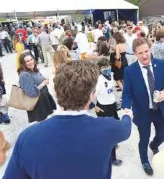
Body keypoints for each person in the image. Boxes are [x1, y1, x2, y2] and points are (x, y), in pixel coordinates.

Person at [4, 60, 133, 179]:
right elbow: (126, 129)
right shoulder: (108, 127)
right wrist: (127, 115)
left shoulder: (27, 137)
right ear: (91, 96)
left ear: (56, 91)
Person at [122, 37, 164, 176]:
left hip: (159, 109)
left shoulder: (160, 64)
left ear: (150, 49)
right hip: (142, 112)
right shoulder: (129, 71)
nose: (144, 55)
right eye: (140, 53)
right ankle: (144, 160)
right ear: (135, 53)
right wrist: (126, 107)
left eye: (146, 51)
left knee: (163, 135)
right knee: (144, 138)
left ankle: (154, 145)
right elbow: (127, 93)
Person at [95, 58, 123, 166]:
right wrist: (93, 106)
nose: (106, 68)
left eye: (107, 66)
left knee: (115, 126)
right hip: (103, 108)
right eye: (103, 67)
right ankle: (112, 159)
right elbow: (90, 95)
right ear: (99, 69)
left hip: (112, 106)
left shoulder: (110, 75)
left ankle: (112, 144)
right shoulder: (98, 81)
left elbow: (115, 84)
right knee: (108, 133)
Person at [17, 54, 56, 123]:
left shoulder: (34, 70)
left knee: (46, 122)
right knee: (43, 124)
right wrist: (43, 84)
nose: (31, 62)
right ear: (23, 64)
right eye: (27, 61)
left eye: (31, 59)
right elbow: (31, 93)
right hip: (37, 104)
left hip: (42, 100)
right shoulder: (25, 75)